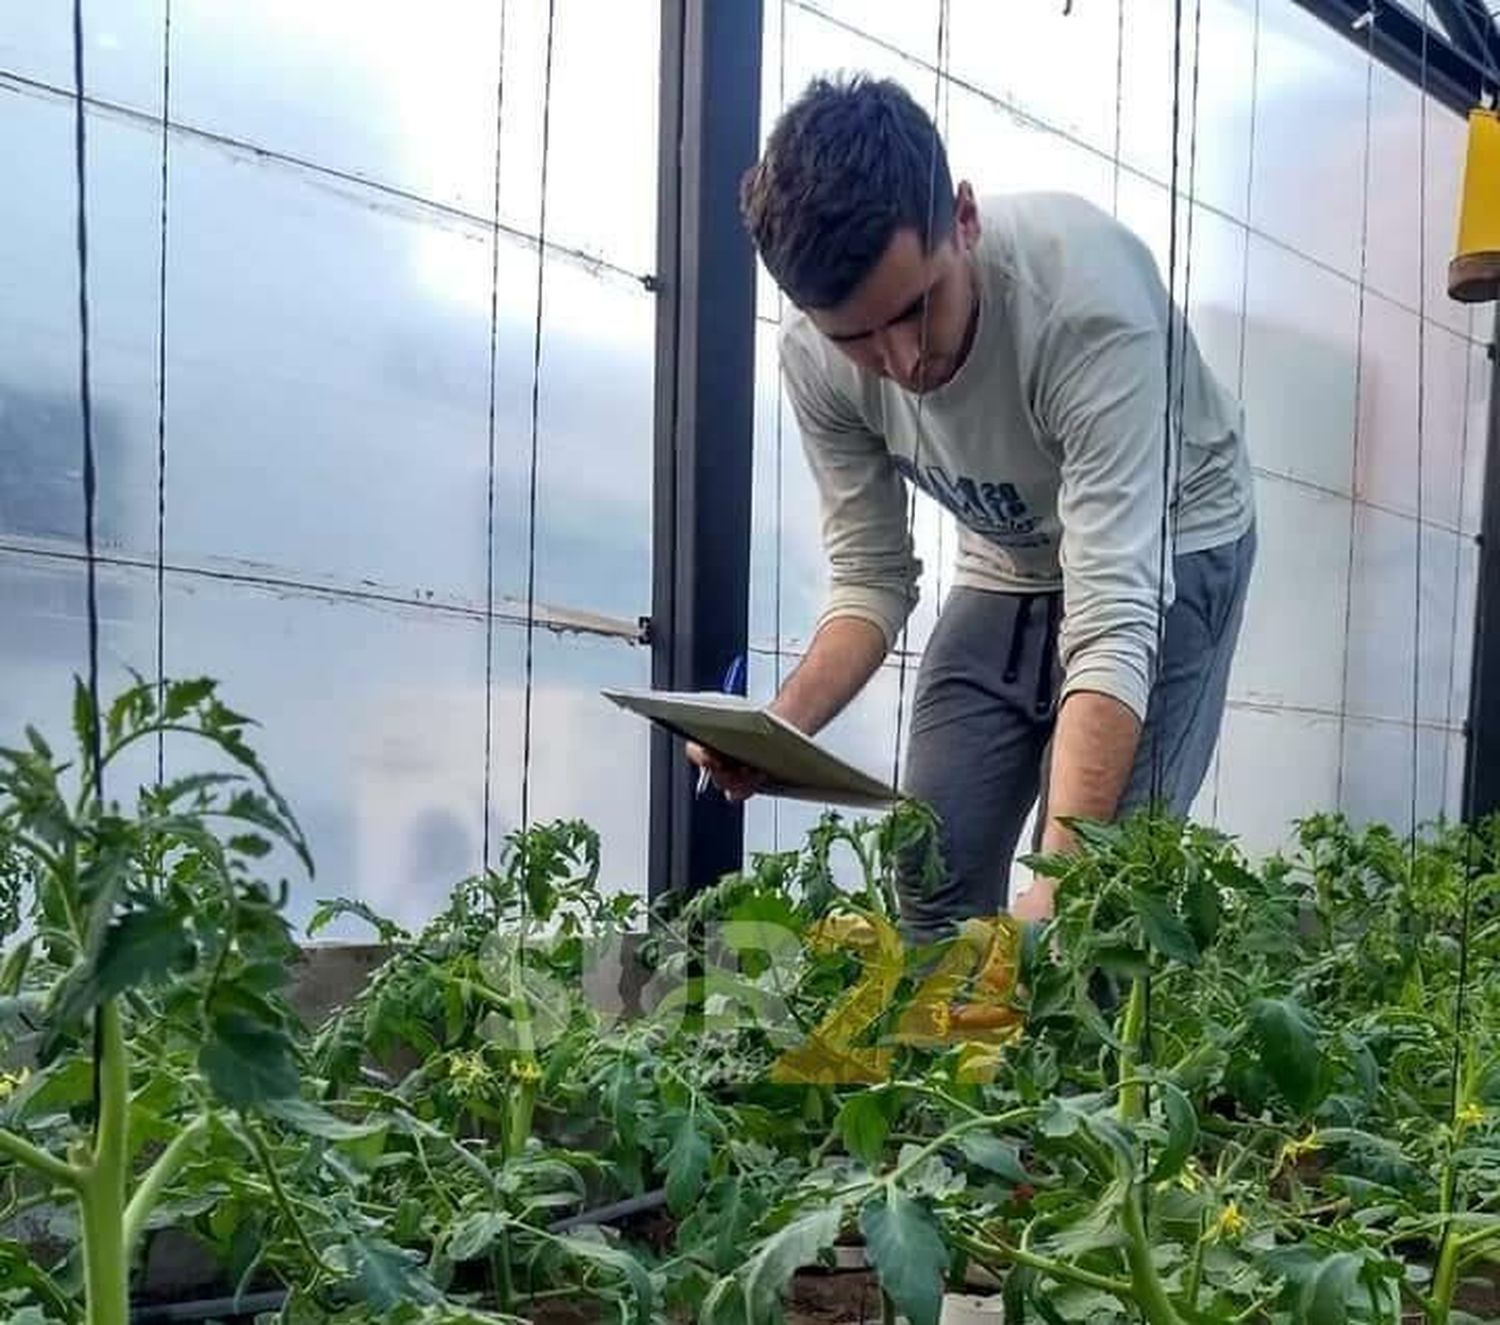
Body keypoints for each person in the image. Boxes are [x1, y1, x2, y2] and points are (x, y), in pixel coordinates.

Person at [688, 75, 1255, 938]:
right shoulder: (814, 360)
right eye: (858, 336)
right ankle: (944, 1071)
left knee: (1095, 916)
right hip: (1010, 551)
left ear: (963, 216)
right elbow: (871, 579)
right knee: (932, 867)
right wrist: (775, 731)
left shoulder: (1085, 312)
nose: (903, 359)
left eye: (919, 308)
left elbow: (1112, 617)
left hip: (1173, 538)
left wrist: (1059, 879)